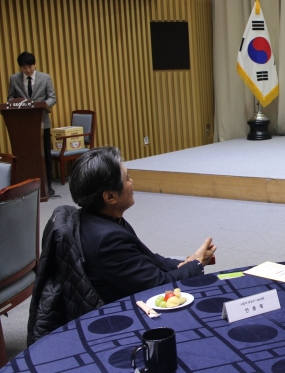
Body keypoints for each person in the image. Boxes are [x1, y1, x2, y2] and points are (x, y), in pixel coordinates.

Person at [28, 146, 217, 343]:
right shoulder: (108, 240)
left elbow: (146, 257)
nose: (132, 182)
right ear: (110, 197)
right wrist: (197, 264)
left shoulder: (96, 217)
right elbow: (158, 285)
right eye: (127, 178)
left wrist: (182, 263)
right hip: (119, 320)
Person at [7, 52, 58, 196]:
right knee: (26, 156)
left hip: (42, 123)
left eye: (30, 67)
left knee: (45, 155)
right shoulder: (14, 79)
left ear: (35, 64)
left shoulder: (45, 77)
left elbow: (52, 98)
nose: (28, 70)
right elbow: (10, 98)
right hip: (22, 125)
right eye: (24, 68)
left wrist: (41, 106)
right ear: (20, 68)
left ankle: (48, 186)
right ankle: (26, 187)